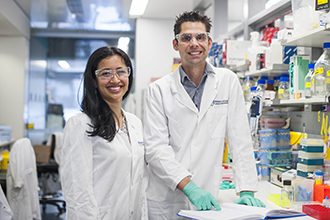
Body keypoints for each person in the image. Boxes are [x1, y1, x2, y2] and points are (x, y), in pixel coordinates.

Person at [144, 11, 265, 219]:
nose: (194, 43)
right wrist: (189, 187)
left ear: (209, 42)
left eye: (200, 37)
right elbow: (156, 150)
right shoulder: (158, 90)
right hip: (167, 198)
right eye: (186, 38)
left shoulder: (227, 81)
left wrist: (246, 189)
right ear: (176, 44)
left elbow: (240, 138)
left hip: (208, 196)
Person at [61, 46, 148, 220]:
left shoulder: (135, 123)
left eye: (121, 72)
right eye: (105, 73)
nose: (115, 79)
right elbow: (78, 193)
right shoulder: (80, 125)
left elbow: (140, 183)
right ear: (94, 80)